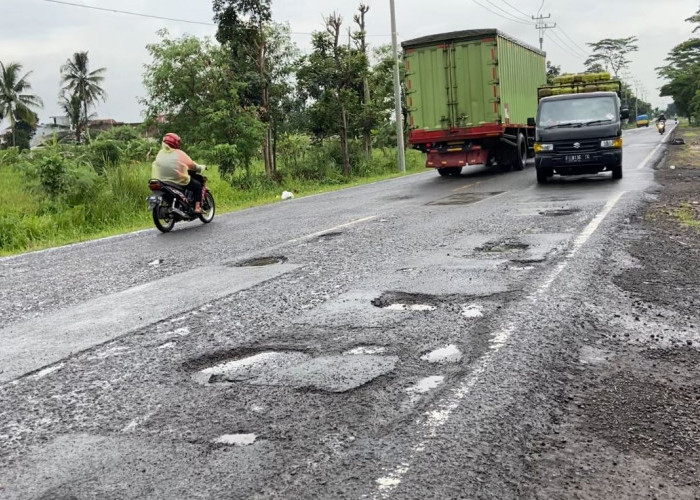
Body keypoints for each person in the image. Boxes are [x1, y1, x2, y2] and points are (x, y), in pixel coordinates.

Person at [152, 133, 206, 213]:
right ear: (176, 143)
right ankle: (197, 207)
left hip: (162, 181)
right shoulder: (179, 153)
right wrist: (201, 167)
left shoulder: (160, 153)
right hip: (178, 181)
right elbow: (192, 165)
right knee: (198, 185)